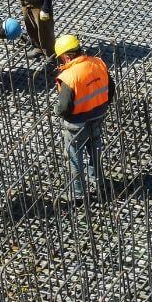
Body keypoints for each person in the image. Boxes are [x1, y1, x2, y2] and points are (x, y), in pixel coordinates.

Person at [53, 34, 114, 202]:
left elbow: (64, 107)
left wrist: (57, 111)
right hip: (98, 115)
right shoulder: (98, 63)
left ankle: (78, 193)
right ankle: (99, 184)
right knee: (95, 149)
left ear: (66, 56)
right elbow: (111, 89)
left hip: (77, 123)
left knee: (74, 154)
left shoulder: (69, 76)